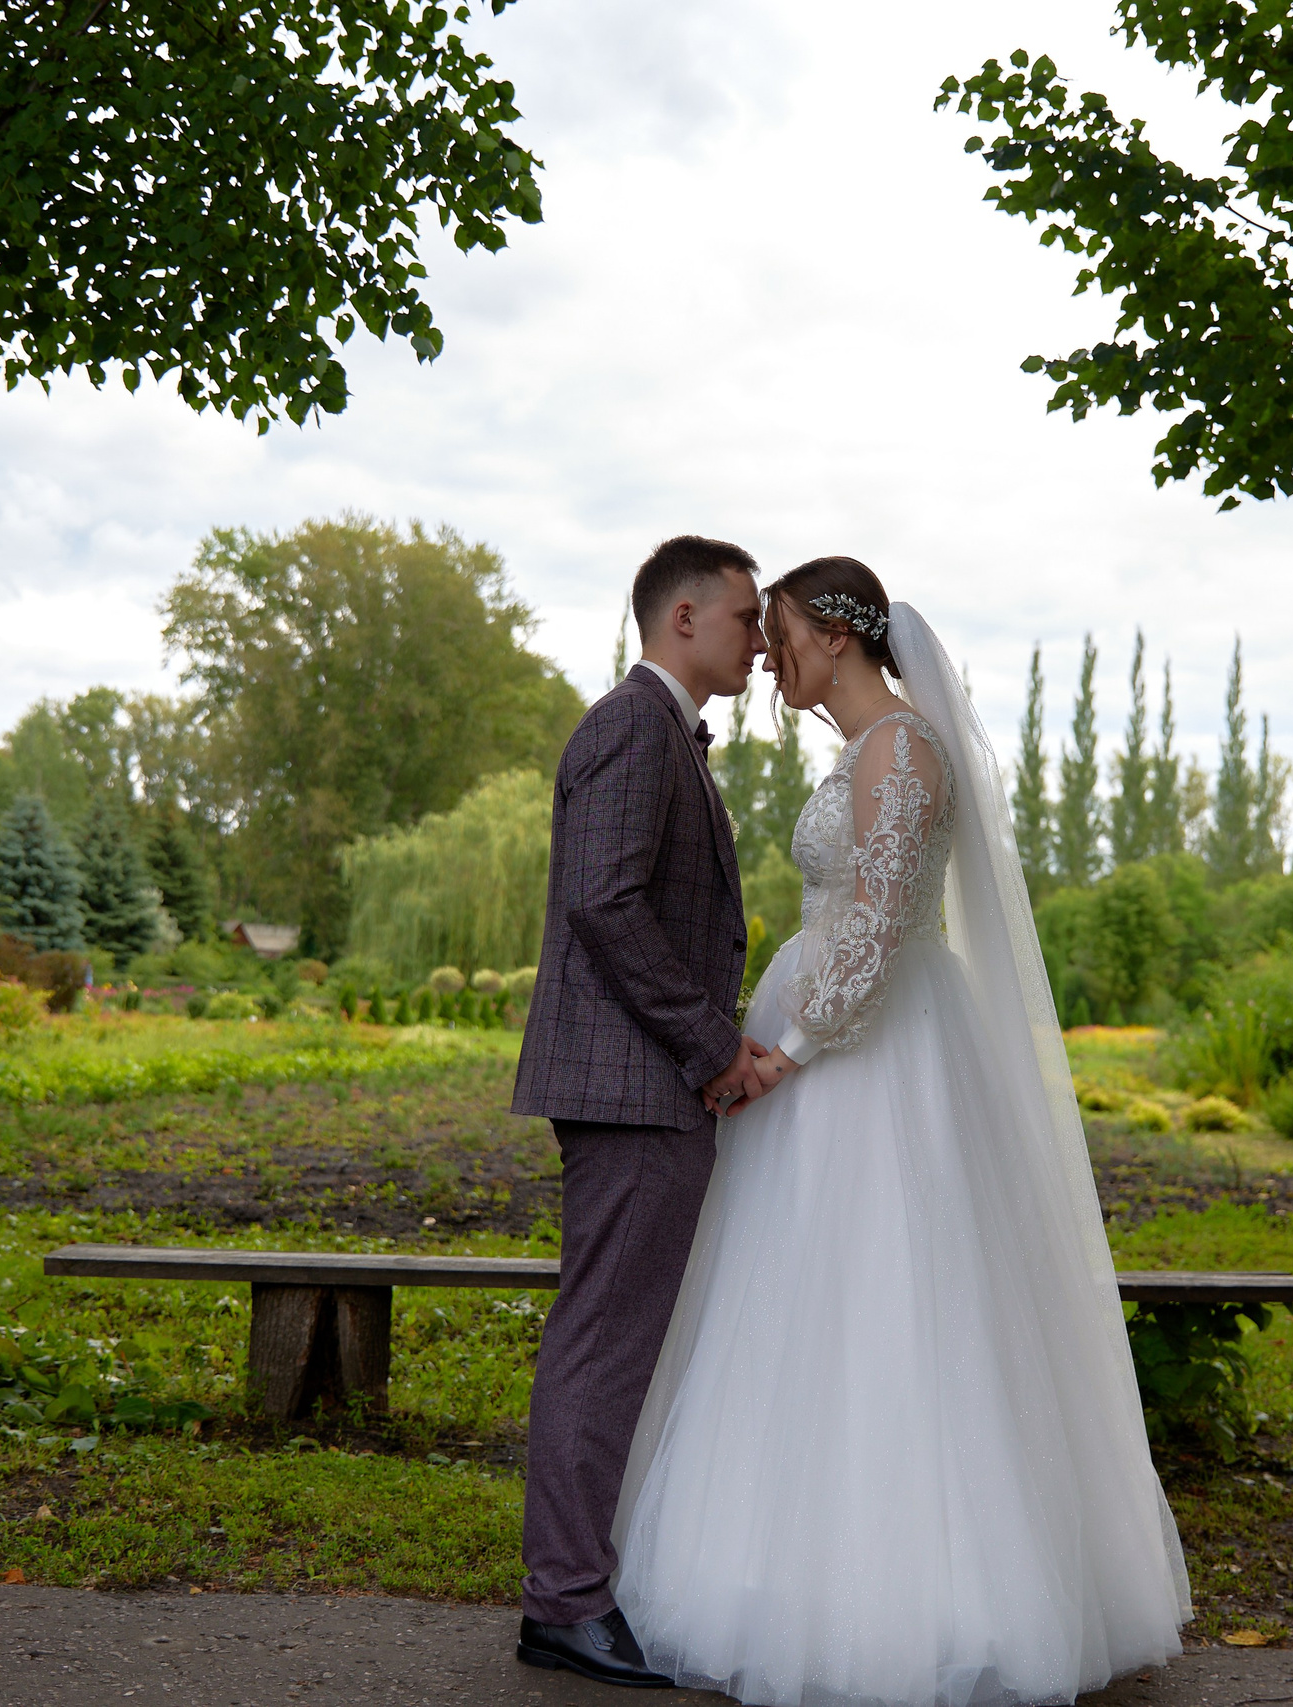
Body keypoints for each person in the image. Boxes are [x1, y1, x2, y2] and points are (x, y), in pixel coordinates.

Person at [612, 557, 1192, 1706]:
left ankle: (910, 1596)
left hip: (872, 1059)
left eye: (778, 631)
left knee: (886, 1289)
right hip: (830, 1043)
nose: (767, 655)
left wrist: (791, 1048)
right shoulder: (869, 749)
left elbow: (877, 926)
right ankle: (781, 1565)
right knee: (796, 1297)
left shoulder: (900, 749)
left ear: (835, 634)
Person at [510, 534, 776, 1688]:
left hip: (639, 1086)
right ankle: (564, 1604)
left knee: (614, 1340)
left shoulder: (664, 730)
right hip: (631, 1091)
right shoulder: (631, 725)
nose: (759, 639)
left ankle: (578, 1591)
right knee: (604, 1343)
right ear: (683, 617)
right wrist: (712, 1046)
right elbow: (605, 905)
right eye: (746, 617)